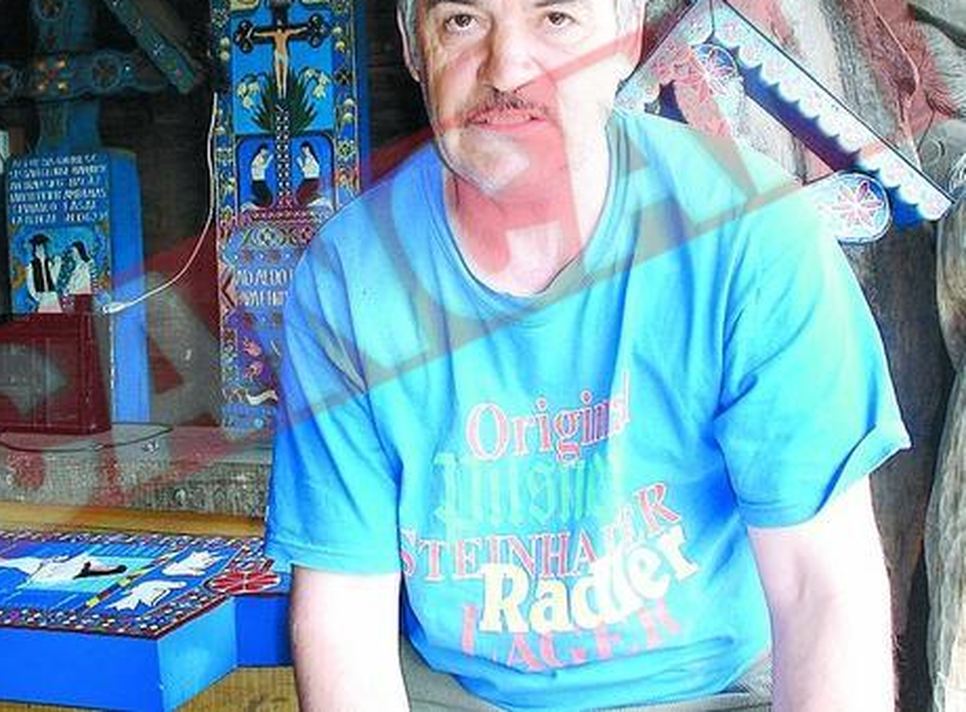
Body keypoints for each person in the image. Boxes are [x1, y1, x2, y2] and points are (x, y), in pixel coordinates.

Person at [264, 0, 905, 710]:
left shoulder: (751, 235)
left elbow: (822, 589)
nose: (508, 68)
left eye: (557, 18)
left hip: (714, 689)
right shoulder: (350, 278)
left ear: (626, 35)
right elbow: (345, 616)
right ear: (415, 48)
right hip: (462, 693)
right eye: (463, 21)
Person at [26, 233, 62, 313]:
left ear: (45, 249)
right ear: (34, 250)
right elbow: (30, 282)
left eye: (41, 248)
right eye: (37, 248)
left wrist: (57, 265)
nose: (40, 251)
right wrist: (35, 296)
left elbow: (53, 279)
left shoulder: (49, 263)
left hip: (52, 295)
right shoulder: (32, 266)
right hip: (41, 296)